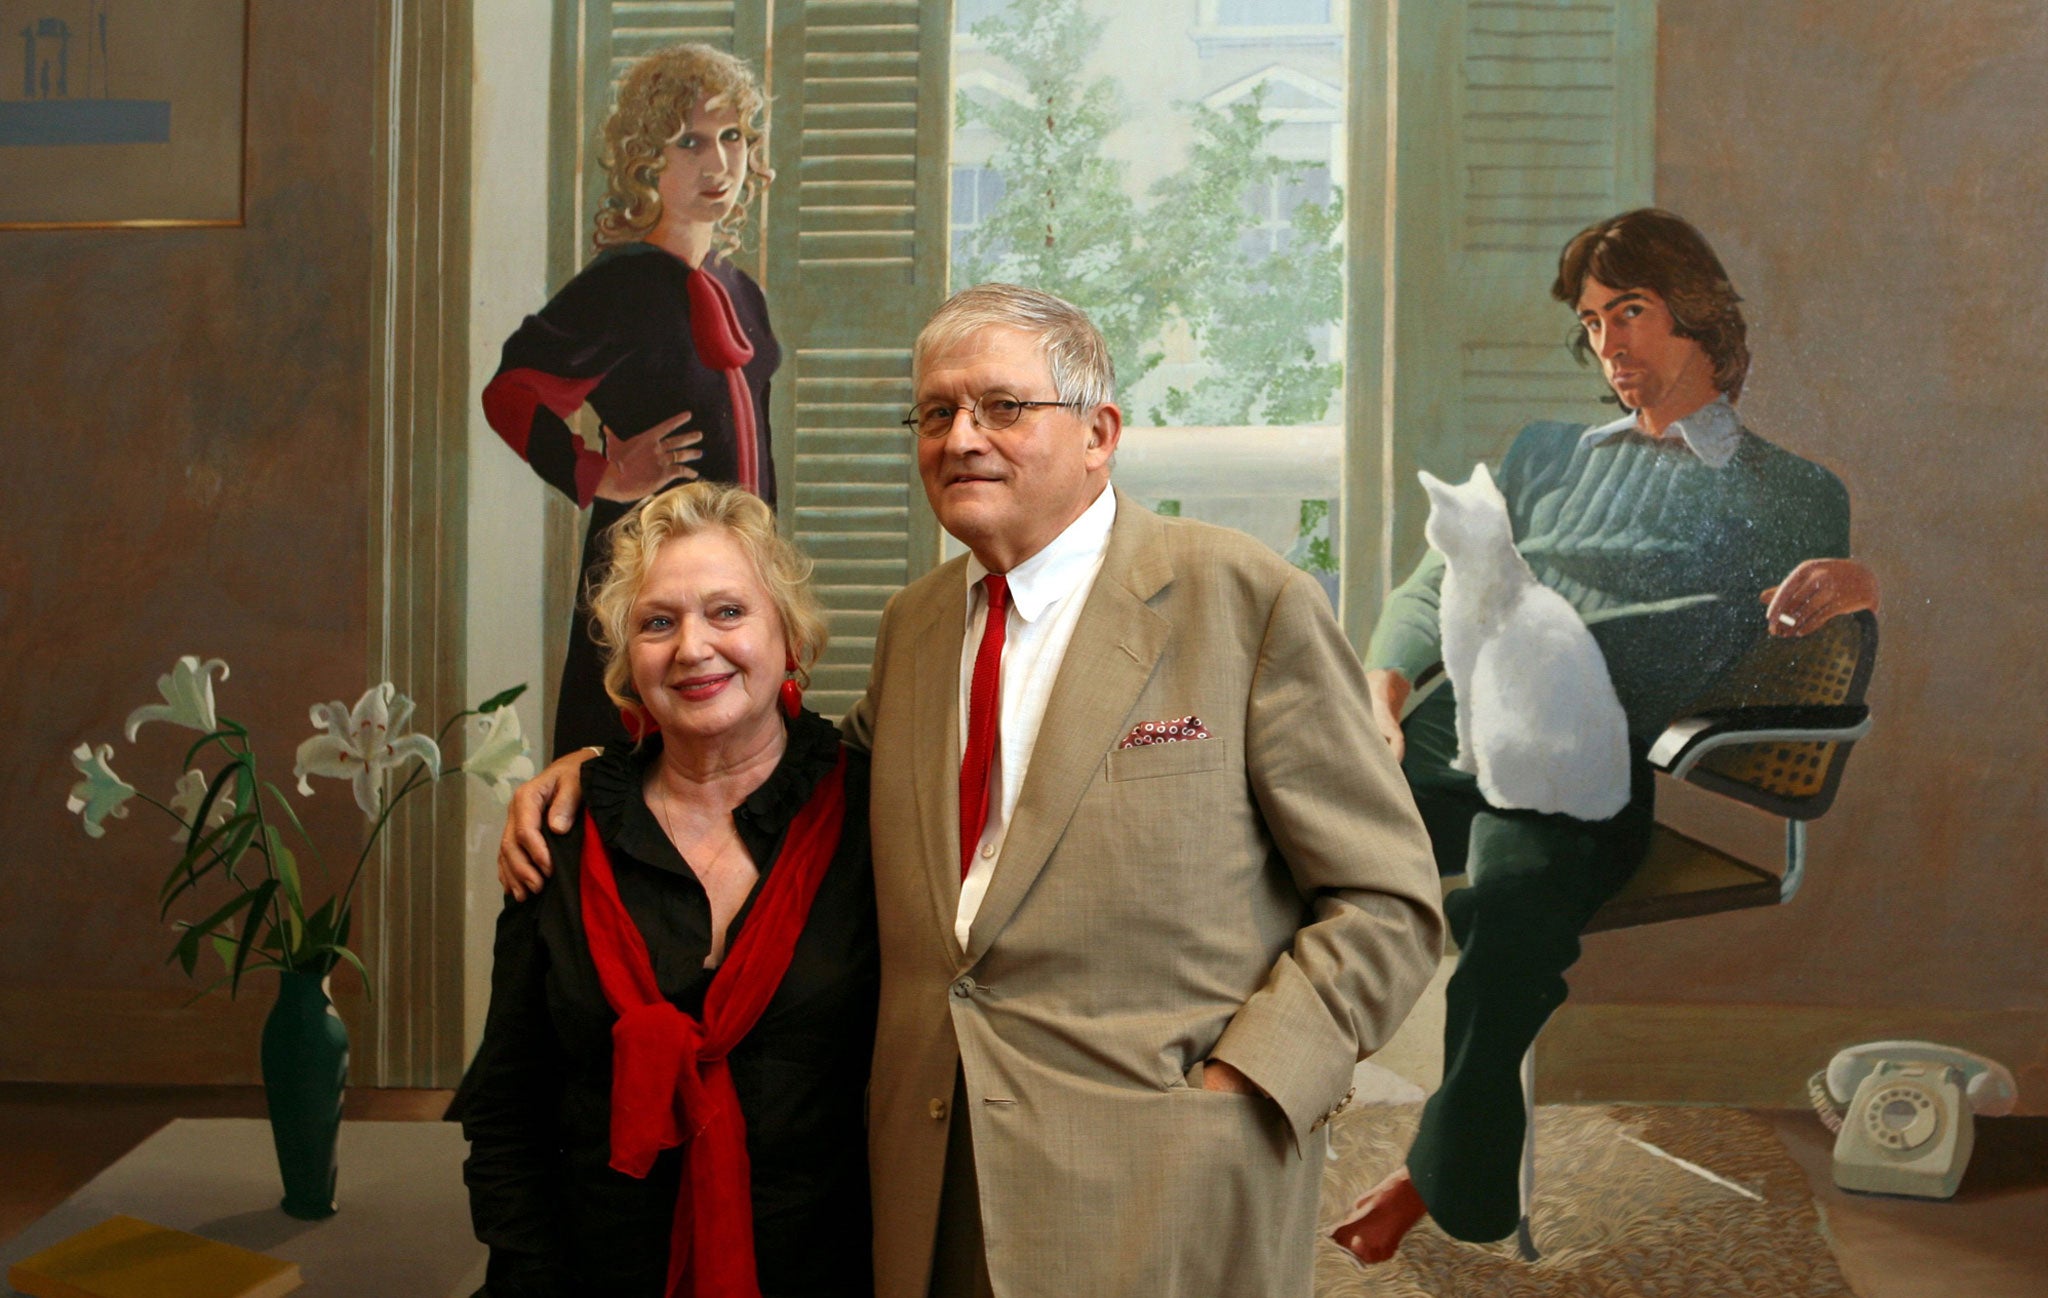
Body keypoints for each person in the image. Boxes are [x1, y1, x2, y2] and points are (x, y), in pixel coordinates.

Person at [501, 284, 1445, 1297]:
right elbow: (787, 765)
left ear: (1099, 432)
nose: (960, 438)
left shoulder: (1242, 599)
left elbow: (1386, 900)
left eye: (1001, 407)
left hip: (1169, 1183)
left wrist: (1247, 1090)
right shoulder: (914, 627)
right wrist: (603, 770)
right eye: (936, 413)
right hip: (930, 1191)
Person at [1332, 208, 1881, 1262]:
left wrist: (1855, 587)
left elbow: (1801, 620)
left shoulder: (1787, 489)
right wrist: (1382, 689)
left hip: (1586, 775)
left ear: (1696, 314)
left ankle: (1443, 1175)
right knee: (1255, 829)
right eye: (1590, 322)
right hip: (1448, 739)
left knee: (1504, 907)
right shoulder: (1544, 457)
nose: (1607, 343)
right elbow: (1444, 574)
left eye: (1627, 311)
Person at [451, 482, 877, 1297]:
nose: (691, 648)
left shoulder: (875, 819)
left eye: (727, 613)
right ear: (625, 664)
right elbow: (507, 1111)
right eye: (657, 622)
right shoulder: (562, 831)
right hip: (593, 1275)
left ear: (789, 637)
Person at [482, 43, 782, 757]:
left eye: (732, 137)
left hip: (738, 573)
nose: (719, 164)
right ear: (647, 160)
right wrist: (600, 475)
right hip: (643, 577)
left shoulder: (743, 292)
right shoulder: (618, 286)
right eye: (690, 142)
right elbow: (510, 392)